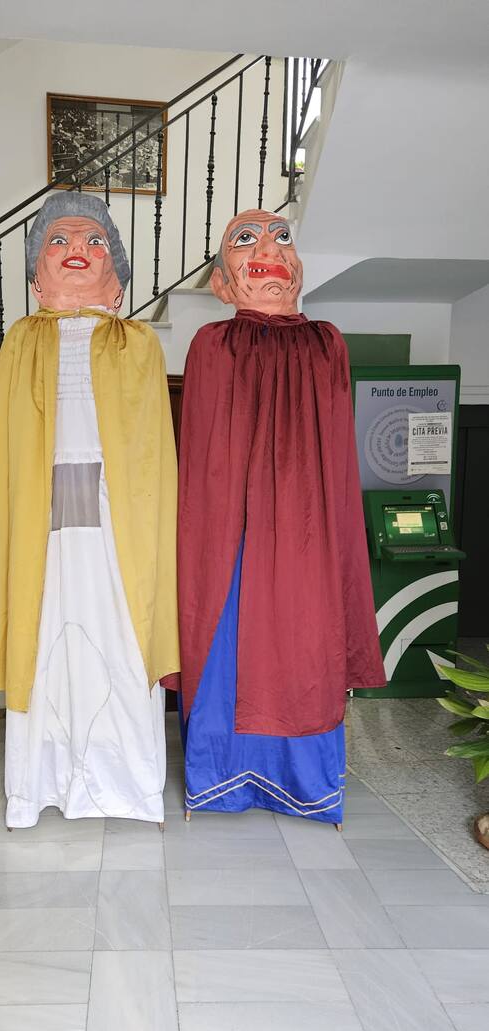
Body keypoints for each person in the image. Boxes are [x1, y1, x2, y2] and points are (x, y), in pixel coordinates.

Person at [0, 191, 179, 827]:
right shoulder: (20, 344)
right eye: (59, 242)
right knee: (47, 636)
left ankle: (130, 787)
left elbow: (150, 455)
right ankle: (39, 786)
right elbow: (15, 459)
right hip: (45, 524)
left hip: (121, 525)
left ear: (116, 282)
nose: (77, 251)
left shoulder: (140, 345)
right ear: (36, 278)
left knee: (119, 632)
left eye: (93, 242)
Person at [176, 208, 385, 826]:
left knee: (303, 638)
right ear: (222, 282)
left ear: (299, 269)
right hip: (230, 534)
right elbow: (204, 459)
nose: (268, 247)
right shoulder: (213, 344)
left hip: (306, 531)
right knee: (226, 638)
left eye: (282, 237)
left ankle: (306, 783)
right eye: (245, 240)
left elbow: (336, 458)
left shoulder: (328, 343)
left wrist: (307, 528)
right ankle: (220, 778)